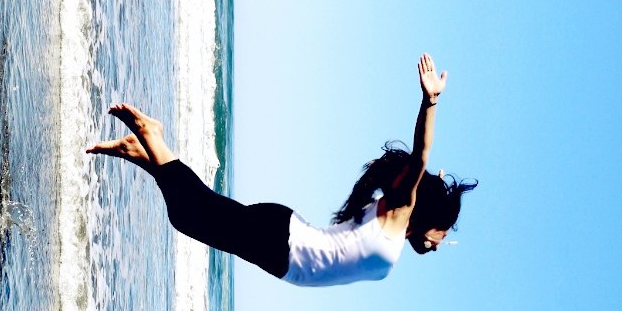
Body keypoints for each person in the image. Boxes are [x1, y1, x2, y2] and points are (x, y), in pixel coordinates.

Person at [86, 53, 476, 286]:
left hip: (283, 249)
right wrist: (431, 102)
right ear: (432, 217)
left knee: (195, 211)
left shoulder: (393, 224)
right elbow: (421, 157)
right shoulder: (397, 212)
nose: (440, 243)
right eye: (444, 233)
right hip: (283, 241)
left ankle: (143, 154)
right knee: (190, 215)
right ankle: (152, 138)